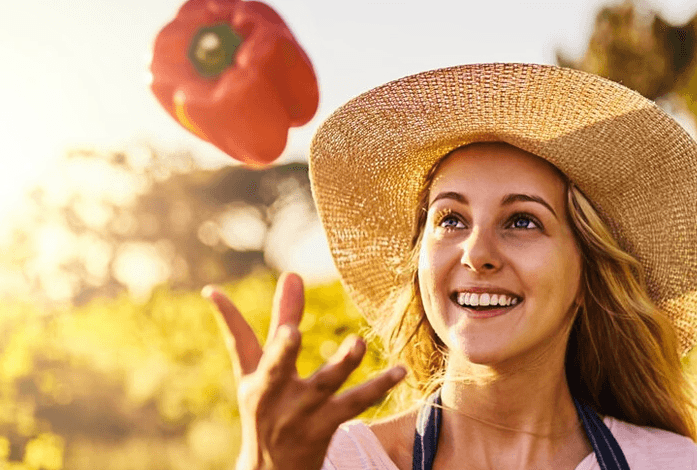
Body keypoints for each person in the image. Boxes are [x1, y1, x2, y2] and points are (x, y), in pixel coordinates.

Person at [202, 63, 697, 469]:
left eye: (523, 221)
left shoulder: (670, 463)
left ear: (588, 274)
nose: (476, 252)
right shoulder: (334, 462)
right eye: (451, 219)